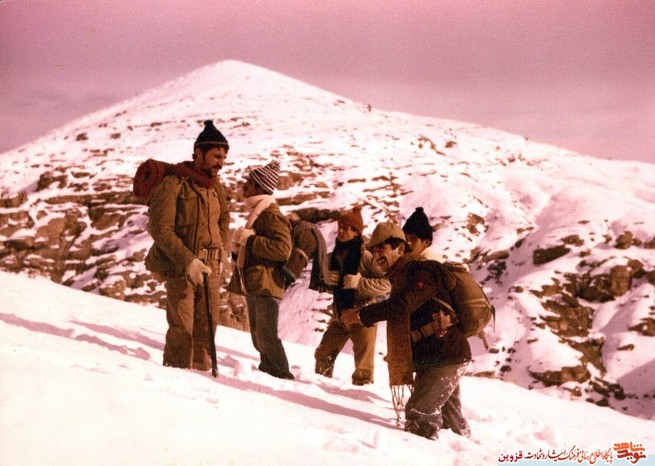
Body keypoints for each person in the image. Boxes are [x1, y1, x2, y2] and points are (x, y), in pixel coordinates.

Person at [342, 221, 471, 440]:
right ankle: (466, 451)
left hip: (446, 355)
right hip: (436, 357)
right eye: (373, 250)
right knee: (451, 422)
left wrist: (361, 315)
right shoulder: (402, 276)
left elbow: (403, 305)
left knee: (419, 415)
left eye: (381, 248)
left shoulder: (423, 271)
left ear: (400, 248)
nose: (376, 255)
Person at [144, 120, 230, 371]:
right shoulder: (173, 184)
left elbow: (224, 219)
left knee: (208, 328)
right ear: (199, 153)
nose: (221, 162)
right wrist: (189, 261)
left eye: (224, 157)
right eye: (216, 156)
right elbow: (160, 229)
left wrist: (221, 251)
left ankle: (201, 377)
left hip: (211, 266)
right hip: (182, 266)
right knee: (182, 329)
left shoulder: (216, 187)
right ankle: (177, 376)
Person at [227, 160, 294, 380]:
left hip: (266, 284)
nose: (245, 185)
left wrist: (251, 240)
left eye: (250, 182)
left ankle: (282, 375)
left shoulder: (270, 214)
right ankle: (268, 371)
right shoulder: (258, 212)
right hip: (257, 282)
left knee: (266, 336)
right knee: (258, 337)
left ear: (259, 187)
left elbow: (283, 249)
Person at [314, 206, 391, 385]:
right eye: (339, 227)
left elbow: (387, 284)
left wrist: (360, 283)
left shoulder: (366, 257)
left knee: (363, 367)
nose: (340, 231)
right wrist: (328, 282)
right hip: (340, 315)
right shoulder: (333, 256)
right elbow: (325, 285)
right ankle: (318, 387)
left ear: (356, 232)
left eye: (346, 228)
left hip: (363, 316)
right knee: (323, 354)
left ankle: (360, 395)